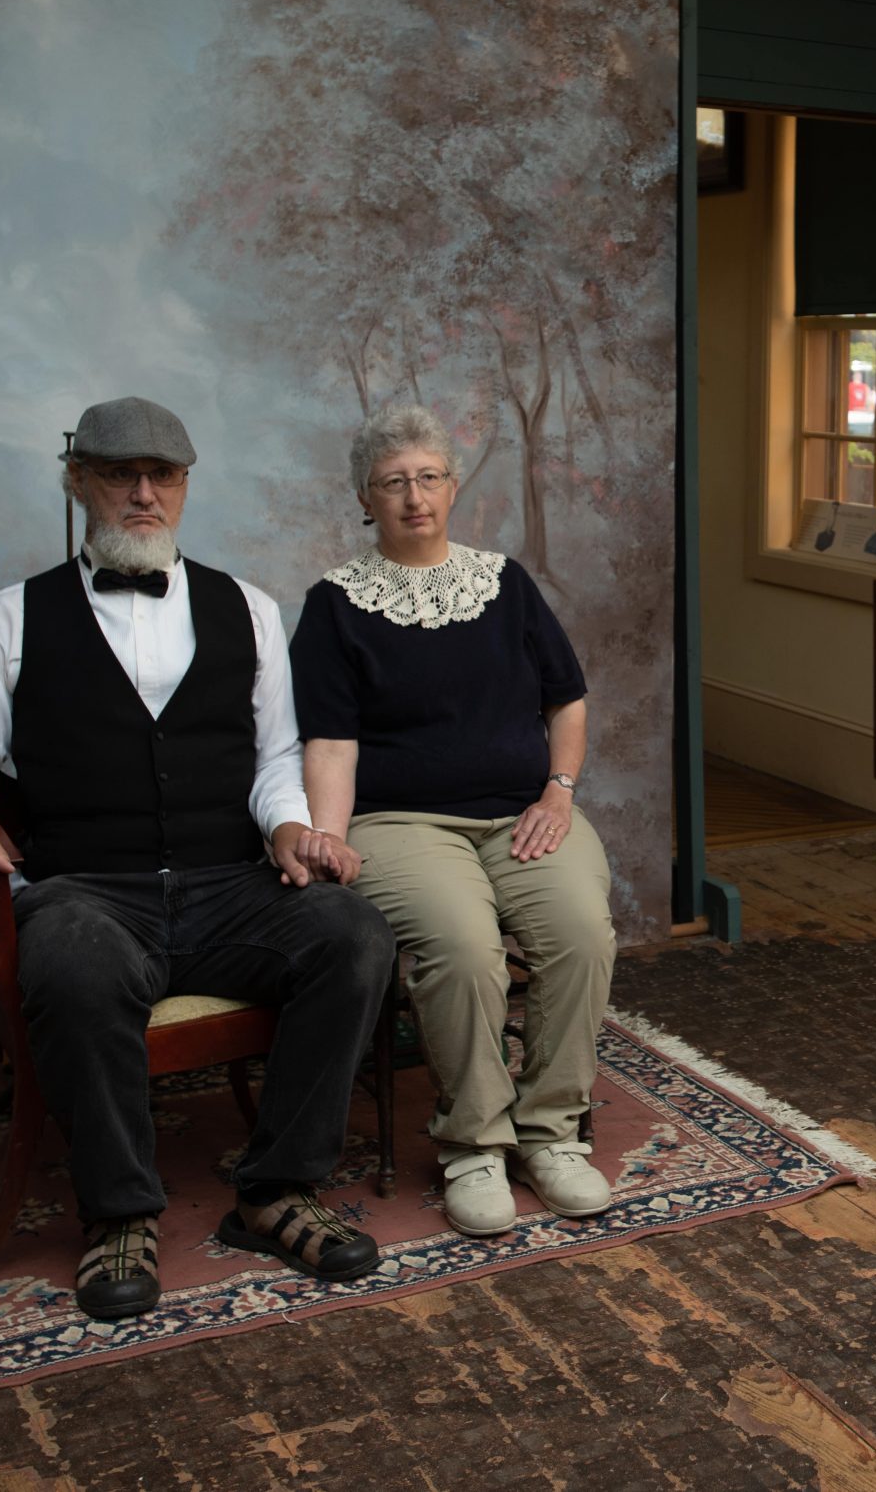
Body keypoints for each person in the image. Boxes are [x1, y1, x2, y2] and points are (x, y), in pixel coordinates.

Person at [0, 397, 395, 1320]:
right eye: (119, 473)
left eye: (162, 475)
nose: (142, 492)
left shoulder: (248, 606)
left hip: (226, 886)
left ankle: (277, 1189)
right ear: (77, 481)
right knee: (75, 961)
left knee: (352, 934)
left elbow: (279, 756)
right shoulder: (11, 616)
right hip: (88, 888)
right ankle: (119, 1212)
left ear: (185, 487)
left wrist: (288, 827)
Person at [287, 403, 616, 1238]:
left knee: (581, 932)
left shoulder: (505, 584)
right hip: (401, 824)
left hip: (525, 814)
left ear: (453, 484)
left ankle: (551, 1133)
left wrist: (559, 791)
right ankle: (474, 1143)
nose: (415, 496)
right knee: (466, 950)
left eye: (429, 476)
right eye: (393, 482)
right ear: (366, 496)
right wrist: (329, 838)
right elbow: (329, 742)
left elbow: (566, 700)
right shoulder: (334, 604)